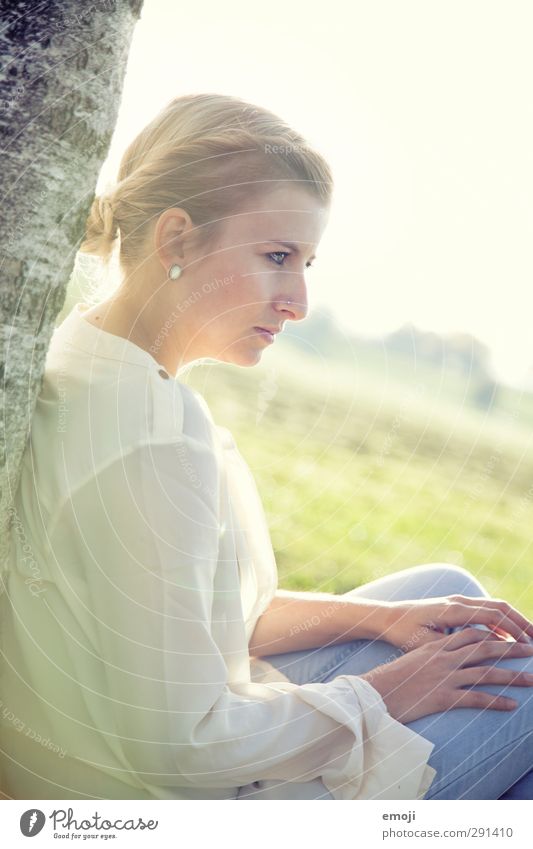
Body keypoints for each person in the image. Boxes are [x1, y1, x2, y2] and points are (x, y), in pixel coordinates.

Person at [1, 93, 532, 801]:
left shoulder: (89, 361)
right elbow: (176, 747)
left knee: (445, 592)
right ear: (177, 239)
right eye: (277, 256)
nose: (297, 300)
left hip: (123, 738)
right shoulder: (151, 444)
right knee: (522, 698)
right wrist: (380, 693)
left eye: (306, 261)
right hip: (151, 799)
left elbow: (185, 612)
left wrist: (381, 621)